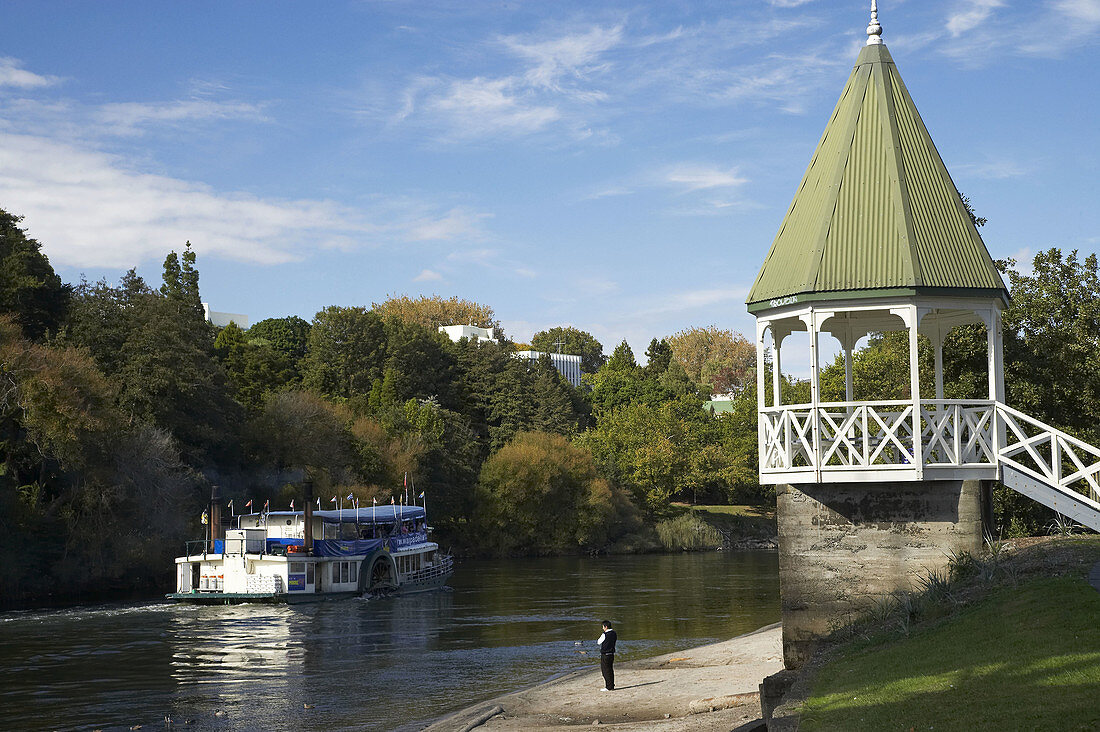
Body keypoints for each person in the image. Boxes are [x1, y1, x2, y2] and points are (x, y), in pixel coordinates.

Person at [596, 620, 616, 691]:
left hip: (605, 655)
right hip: (612, 654)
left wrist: (603, 634)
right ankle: (611, 685)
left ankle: (608, 687)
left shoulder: (605, 634)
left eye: (603, 627)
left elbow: (598, 642)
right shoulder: (614, 633)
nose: (602, 628)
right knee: (610, 670)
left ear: (606, 627)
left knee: (605, 671)